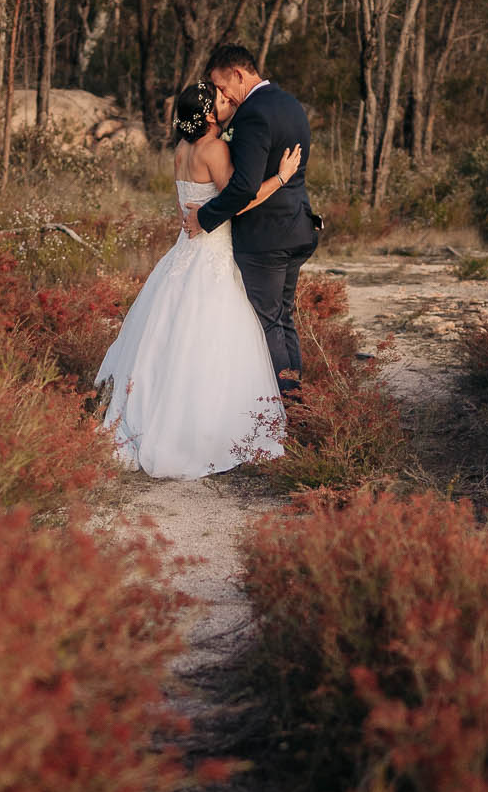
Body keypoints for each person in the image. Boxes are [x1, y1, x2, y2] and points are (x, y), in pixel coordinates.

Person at [94, 79, 301, 479]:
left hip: (182, 253)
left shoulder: (181, 149)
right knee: (213, 340)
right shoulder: (214, 148)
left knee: (168, 340)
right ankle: (205, 430)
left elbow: (184, 211)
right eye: (222, 101)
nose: (227, 103)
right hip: (211, 253)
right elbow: (236, 202)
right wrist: (281, 177)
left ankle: (152, 419)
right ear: (208, 115)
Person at [181, 43, 320, 399]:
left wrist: (204, 218)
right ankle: (296, 402)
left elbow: (243, 188)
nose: (222, 95)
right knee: (284, 318)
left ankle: (286, 407)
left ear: (239, 74)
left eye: (222, 85)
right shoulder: (290, 103)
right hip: (298, 227)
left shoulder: (253, 114)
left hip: (266, 238)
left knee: (269, 322)